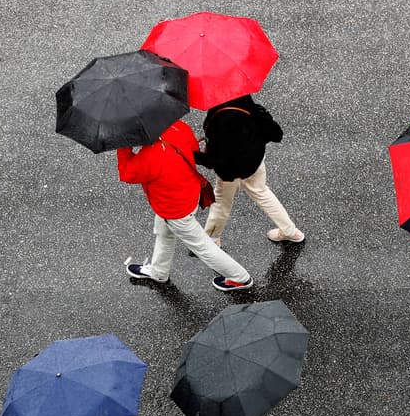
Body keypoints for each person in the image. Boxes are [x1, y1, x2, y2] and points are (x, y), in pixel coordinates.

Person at [118, 120, 253, 292]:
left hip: (174, 208)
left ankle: (240, 278)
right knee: (164, 231)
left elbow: (126, 172)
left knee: (203, 247)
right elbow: (194, 150)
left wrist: (124, 145)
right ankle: (159, 272)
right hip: (189, 194)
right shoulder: (178, 127)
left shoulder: (150, 156)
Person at [195, 95, 303, 245]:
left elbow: (215, 160)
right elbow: (276, 134)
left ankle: (211, 239)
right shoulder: (245, 99)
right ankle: (290, 232)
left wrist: (195, 156)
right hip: (255, 160)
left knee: (221, 202)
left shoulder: (219, 118)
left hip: (231, 171)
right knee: (261, 192)